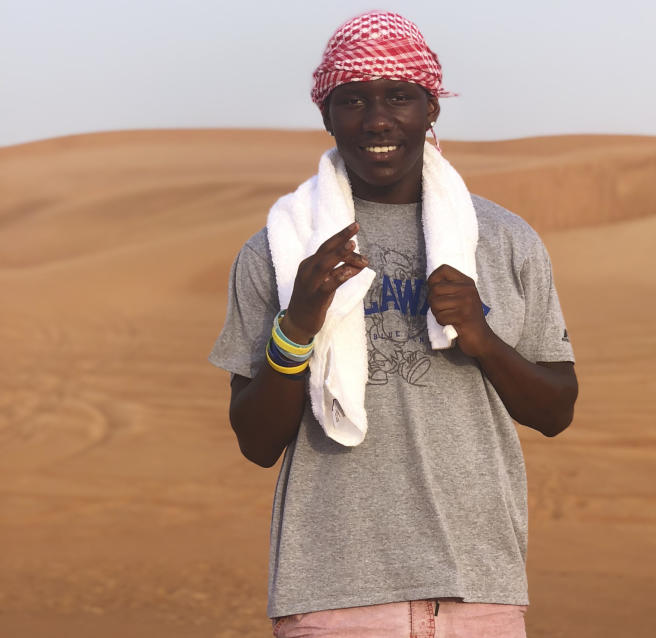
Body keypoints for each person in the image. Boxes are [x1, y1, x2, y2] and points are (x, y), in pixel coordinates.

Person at [209, 10, 577, 638]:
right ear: (327, 116)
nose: (378, 120)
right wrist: (296, 326)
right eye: (353, 100)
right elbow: (256, 441)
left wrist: (484, 341)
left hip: (478, 592)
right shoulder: (279, 250)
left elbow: (555, 410)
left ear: (431, 109)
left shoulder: (504, 241)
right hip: (334, 594)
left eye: (399, 97)